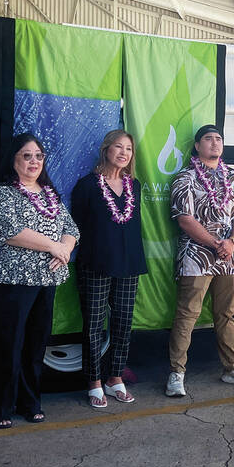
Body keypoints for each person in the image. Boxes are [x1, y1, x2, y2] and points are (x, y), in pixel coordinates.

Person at [0, 133, 79, 428]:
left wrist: (65, 248)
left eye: (38, 156)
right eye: (27, 156)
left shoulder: (49, 194)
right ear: (13, 159)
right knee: (6, 346)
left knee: (35, 346)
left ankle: (30, 402)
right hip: (6, 283)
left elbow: (71, 228)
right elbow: (10, 230)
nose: (34, 162)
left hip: (44, 281)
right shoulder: (0, 193)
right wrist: (54, 246)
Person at [165, 124, 234, 397]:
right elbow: (185, 218)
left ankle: (232, 368)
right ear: (197, 145)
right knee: (187, 315)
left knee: (225, 314)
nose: (215, 143)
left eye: (219, 139)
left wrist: (230, 242)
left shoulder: (233, 176)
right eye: (208, 139)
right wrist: (216, 243)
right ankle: (176, 373)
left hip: (228, 255)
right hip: (196, 256)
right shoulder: (186, 177)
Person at [71, 130, 147, 408]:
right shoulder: (87, 185)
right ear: (106, 149)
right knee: (93, 325)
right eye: (119, 146)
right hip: (95, 263)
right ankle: (93, 381)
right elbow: (77, 225)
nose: (124, 153)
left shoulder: (134, 185)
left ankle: (115, 377)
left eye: (128, 148)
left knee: (123, 324)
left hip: (129, 263)